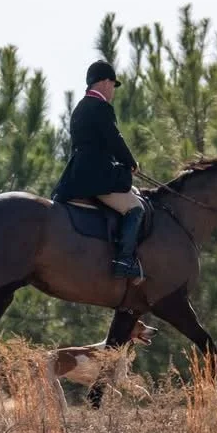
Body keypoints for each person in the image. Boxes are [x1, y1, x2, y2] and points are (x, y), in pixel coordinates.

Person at [51, 60, 143, 279]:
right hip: (97, 175)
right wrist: (130, 163)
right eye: (112, 84)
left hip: (76, 174)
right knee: (136, 208)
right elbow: (114, 139)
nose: (113, 90)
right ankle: (124, 261)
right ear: (103, 82)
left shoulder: (80, 108)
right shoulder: (101, 107)